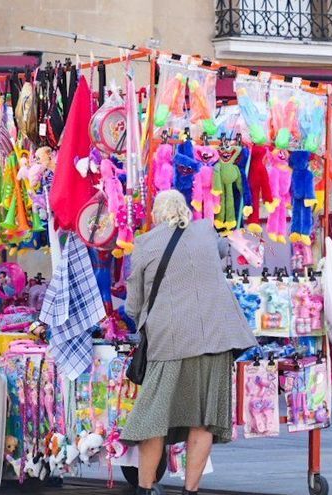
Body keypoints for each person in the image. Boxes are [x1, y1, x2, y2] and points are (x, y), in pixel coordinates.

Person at [121, 190, 257, 495]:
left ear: (157, 214)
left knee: (153, 418)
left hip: (169, 341)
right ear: (185, 210)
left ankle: (145, 489)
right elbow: (222, 250)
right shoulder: (206, 229)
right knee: (203, 420)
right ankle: (190, 490)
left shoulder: (146, 243)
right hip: (216, 339)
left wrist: (139, 317)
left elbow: (133, 304)